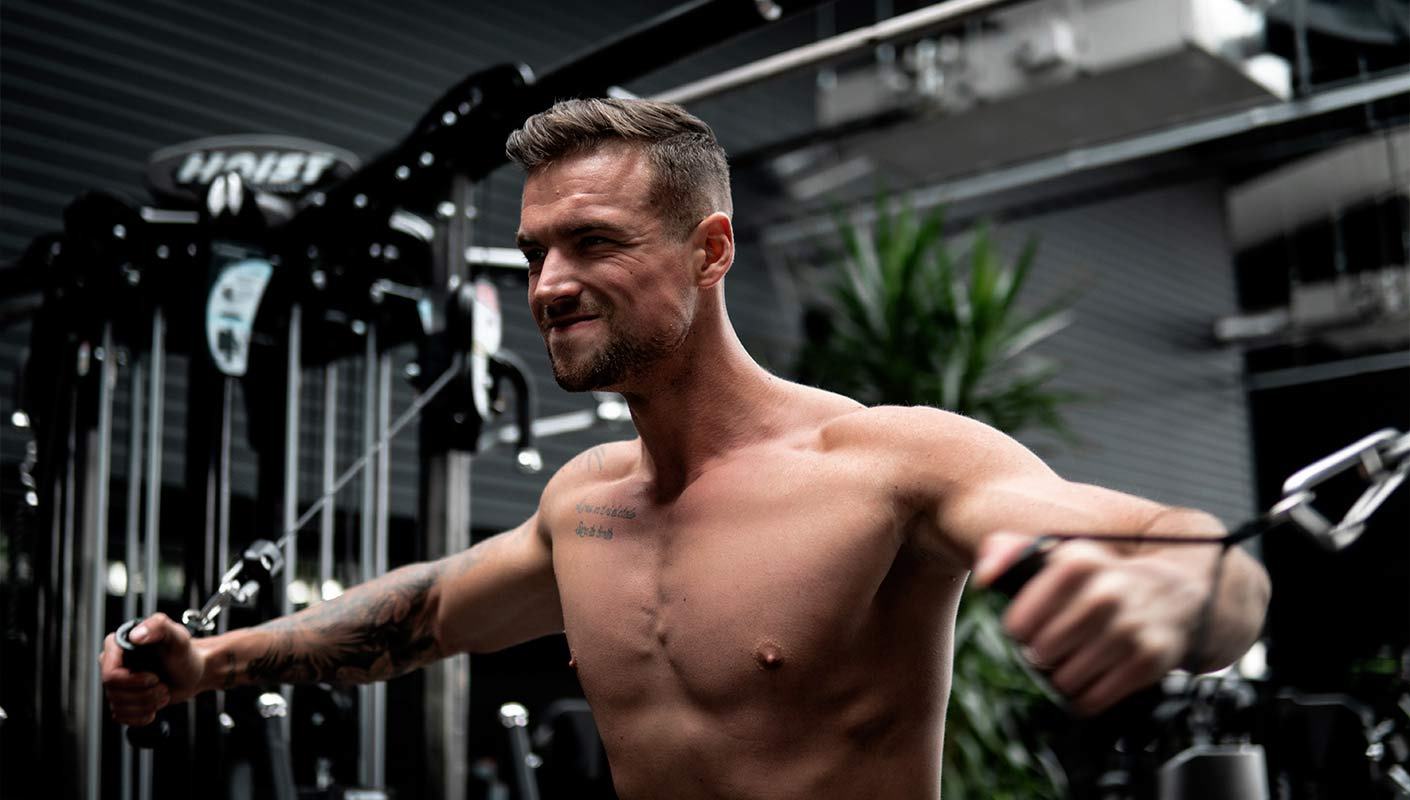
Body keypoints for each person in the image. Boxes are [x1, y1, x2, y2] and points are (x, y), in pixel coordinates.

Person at [103, 98, 1270, 799]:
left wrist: (1187, 587)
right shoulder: (584, 501)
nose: (549, 284)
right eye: (536, 251)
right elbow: (428, 610)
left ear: (710, 251)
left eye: (594, 242)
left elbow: (1184, 551)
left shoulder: (886, 463)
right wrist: (211, 660)